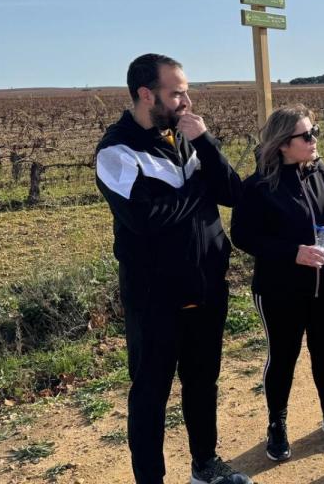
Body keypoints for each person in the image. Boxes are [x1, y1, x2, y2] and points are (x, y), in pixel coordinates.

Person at [95, 54, 251, 484]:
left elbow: (232, 192)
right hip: (154, 297)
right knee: (151, 395)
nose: (187, 99)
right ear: (147, 94)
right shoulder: (116, 152)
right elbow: (145, 219)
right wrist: (198, 192)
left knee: (203, 382)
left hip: (205, 286)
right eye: (177, 92)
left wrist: (205, 142)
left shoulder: (185, 136)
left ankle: (205, 464)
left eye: (186, 90)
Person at [231, 105, 324, 460]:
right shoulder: (257, 187)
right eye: (307, 135)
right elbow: (242, 235)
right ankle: (277, 422)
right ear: (284, 144)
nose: (315, 139)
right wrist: (291, 253)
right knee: (284, 357)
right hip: (279, 290)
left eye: (315, 131)